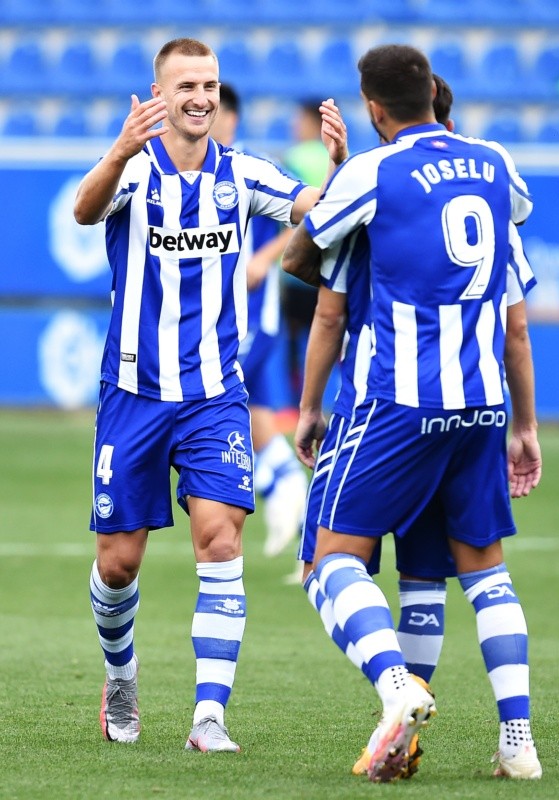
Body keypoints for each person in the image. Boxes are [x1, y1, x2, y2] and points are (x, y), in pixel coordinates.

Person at [73, 37, 346, 752]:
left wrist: (343, 174)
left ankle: (209, 716)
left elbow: (312, 207)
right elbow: (82, 210)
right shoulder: (133, 169)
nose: (201, 98)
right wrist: (115, 152)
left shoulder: (242, 171)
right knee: (118, 562)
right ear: (160, 94)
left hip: (214, 394)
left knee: (220, 538)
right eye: (187, 85)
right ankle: (122, 677)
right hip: (132, 391)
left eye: (211, 86)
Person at [283, 44, 542, 782]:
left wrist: (309, 407)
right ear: (432, 92)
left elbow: (307, 269)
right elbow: (517, 318)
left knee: (330, 562)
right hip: (482, 401)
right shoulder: (493, 165)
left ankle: (397, 689)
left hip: (396, 400)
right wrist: (525, 425)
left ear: (371, 108)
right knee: (474, 574)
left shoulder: (371, 177)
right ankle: (516, 743)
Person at [210, 83, 309, 559]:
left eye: (217, 112)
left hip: (253, 317)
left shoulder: (253, 166)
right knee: (252, 415)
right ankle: (292, 493)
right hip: (216, 320)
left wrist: (264, 258)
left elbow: (305, 214)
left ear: (230, 117)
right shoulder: (195, 167)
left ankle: (281, 491)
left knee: (216, 406)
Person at [281, 100, 332, 406]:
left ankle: (297, 403)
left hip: (295, 268)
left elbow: (286, 212)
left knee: (294, 340)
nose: (294, 126)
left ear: (312, 123)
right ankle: (328, 400)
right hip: (327, 264)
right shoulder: (335, 158)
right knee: (330, 332)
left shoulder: (295, 157)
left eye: (299, 120)